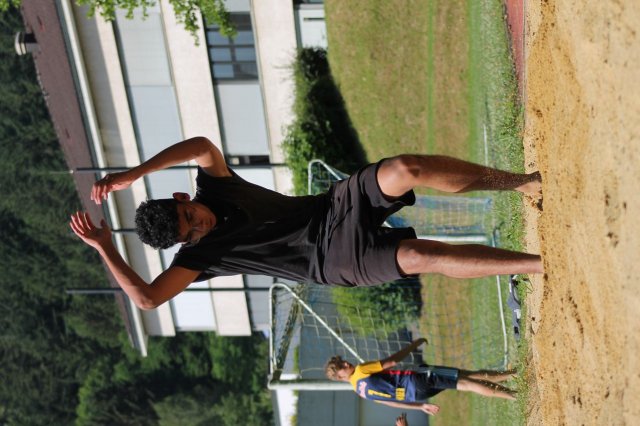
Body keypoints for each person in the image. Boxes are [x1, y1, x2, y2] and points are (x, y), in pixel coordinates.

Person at [69, 136, 543, 309]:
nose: (200, 226)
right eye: (190, 233)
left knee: (406, 168)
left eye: (190, 216)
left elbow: (200, 146)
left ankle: (520, 183)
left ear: (182, 198)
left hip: (331, 207)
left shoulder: (214, 188)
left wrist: (134, 173)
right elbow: (148, 300)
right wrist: (105, 247)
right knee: (420, 255)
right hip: (333, 261)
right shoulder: (200, 258)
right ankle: (538, 264)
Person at [325, 338, 516, 416]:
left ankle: (511, 375)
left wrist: (420, 406)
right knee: (466, 382)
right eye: (341, 367)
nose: (345, 364)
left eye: (342, 361)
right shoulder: (360, 370)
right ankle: (513, 394)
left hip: (417, 394)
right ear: (340, 377)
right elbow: (391, 362)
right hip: (417, 378)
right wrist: (413, 345)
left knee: (465, 376)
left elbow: (391, 402)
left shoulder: (359, 391)